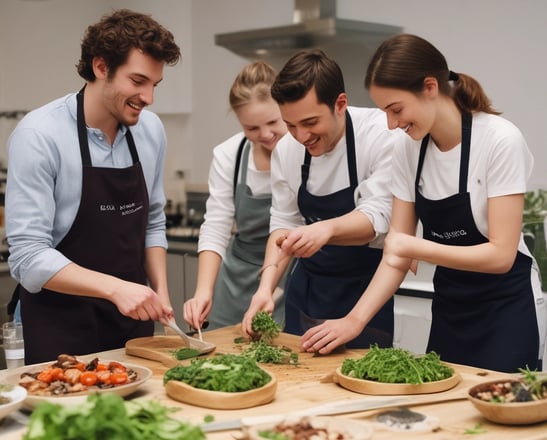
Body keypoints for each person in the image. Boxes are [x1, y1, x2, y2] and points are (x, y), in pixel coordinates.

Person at [302, 33, 546, 373]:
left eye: (396, 109)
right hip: (450, 307)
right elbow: (396, 255)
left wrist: (415, 246)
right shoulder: (409, 148)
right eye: (384, 112)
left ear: (430, 87)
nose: (391, 123)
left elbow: (501, 256)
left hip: (507, 309)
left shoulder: (499, 141)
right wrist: (353, 320)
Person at [5, 9, 181, 364]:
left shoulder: (151, 131)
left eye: (155, 85)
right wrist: (115, 288)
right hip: (59, 327)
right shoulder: (40, 134)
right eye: (138, 81)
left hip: (131, 327)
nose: (149, 98)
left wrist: (159, 291)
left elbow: (153, 223)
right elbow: (27, 257)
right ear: (101, 67)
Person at [241, 49, 403, 349]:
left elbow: (378, 216)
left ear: (340, 104)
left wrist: (325, 229)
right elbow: (283, 221)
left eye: (310, 122)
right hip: (308, 287)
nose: (300, 136)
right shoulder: (287, 150)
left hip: (363, 290)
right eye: (290, 125)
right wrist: (265, 288)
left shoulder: (380, 135)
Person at [183, 61, 287, 331]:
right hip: (236, 280)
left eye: (273, 122)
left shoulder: (304, 153)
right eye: (251, 128)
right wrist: (203, 291)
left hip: (286, 275)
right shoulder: (229, 155)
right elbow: (216, 225)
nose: (265, 135)